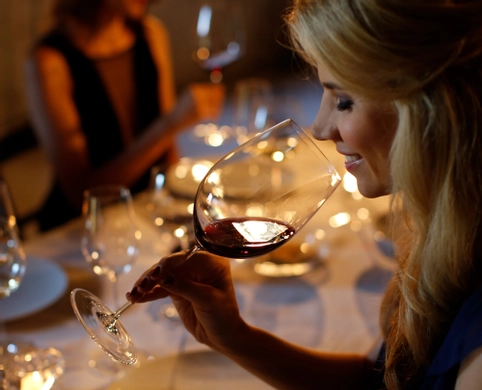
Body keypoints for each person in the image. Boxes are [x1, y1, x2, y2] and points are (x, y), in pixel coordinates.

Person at [126, 0, 482, 389]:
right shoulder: (451, 238)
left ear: (431, 110)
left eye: (344, 100)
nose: (320, 127)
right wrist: (233, 337)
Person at [24, 0, 224, 231]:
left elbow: (168, 156)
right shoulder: (49, 60)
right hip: (82, 228)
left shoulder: (150, 33)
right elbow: (81, 196)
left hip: (145, 212)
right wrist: (171, 124)